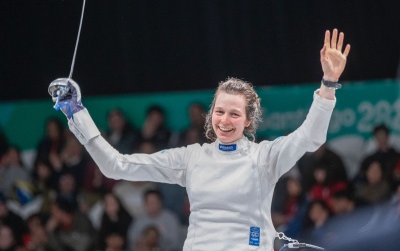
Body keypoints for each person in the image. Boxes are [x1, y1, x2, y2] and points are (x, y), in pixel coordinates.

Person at [49, 29, 350, 250]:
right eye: (220, 111)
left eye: (234, 114)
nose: (225, 120)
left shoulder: (265, 157)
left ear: (247, 121)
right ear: (211, 115)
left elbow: (310, 136)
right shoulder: (191, 158)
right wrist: (76, 113)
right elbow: (116, 166)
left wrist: (328, 84)